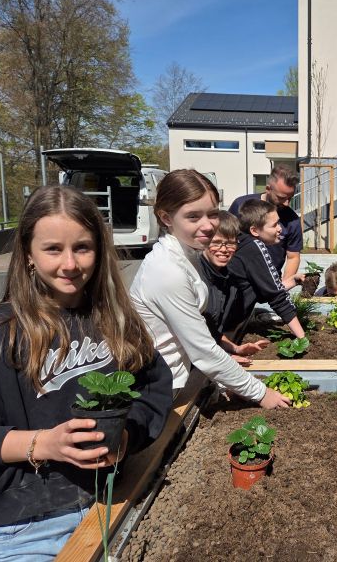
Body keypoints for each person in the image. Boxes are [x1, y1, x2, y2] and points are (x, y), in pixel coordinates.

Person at [0, 185, 172, 561]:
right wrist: (45, 444)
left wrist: (126, 437)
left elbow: (152, 390)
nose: (69, 264)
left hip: (110, 505)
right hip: (21, 530)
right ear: (28, 254)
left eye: (82, 247)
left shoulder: (117, 324)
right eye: (53, 249)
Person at [129, 169, 290, 408]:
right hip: (160, 390)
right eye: (193, 217)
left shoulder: (186, 254)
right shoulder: (167, 271)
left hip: (181, 378)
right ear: (165, 218)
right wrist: (261, 393)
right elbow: (202, 351)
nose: (207, 225)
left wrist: (227, 362)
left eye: (212, 214)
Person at [225, 199, 307, 339]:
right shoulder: (256, 247)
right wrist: (302, 338)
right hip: (228, 329)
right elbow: (276, 297)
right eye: (274, 225)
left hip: (221, 325)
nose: (280, 228)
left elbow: (262, 290)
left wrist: (293, 281)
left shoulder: (242, 243)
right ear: (255, 230)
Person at [198, 212, 269, 365]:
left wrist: (235, 348)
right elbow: (192, 335)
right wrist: (227, 359)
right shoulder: (196, 278)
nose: (224, 249)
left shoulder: (228, 282)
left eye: (230, 243)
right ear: (204, 242)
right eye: (216, 242)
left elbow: (211, 331)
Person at [228, 165, 302, 281]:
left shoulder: (292, 220)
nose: (287, 203)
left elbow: (293, 257)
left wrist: (283, 286)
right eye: (281, 197)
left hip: (269, 282)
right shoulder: (241, 206)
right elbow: (225, 238)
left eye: (290, 198)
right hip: (237, 278)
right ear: (268, 189)